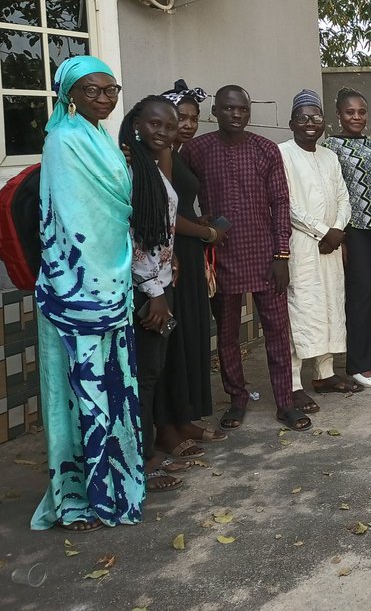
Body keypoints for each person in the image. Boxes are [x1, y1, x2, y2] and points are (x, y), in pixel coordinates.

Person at [31, 56, 143, 531]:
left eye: (110, 89)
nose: (104, 98)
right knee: (80, 395)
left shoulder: (102, 139)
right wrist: (93, 281)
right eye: (92, 90)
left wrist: (121, 272)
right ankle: (77, 499)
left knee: (114, 392)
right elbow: (70, 222)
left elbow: (116, 215)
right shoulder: (62, 141)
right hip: (75, 290)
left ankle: (118, 484)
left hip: (114, 284)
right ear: (69, 95)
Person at [180, 85, 300, 430]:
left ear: (249, 113)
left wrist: (281, 254)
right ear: (214, 112)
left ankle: (285, 401)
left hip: (265, 255)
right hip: (221, 256)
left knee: (278, 330)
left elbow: (281, 203)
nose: (235, 115)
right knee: (228, 334)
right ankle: (237, 398)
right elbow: (180, 196)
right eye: (228, 109)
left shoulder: (265, 150)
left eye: (242, 110)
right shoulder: (196, 150)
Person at [154, 80, 225, 459]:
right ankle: (165, 428)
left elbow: (179, 207)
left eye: (194, 118)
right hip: (170, 258)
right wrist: (207, 230)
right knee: (170, 343)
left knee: (191, 339)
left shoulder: (177, 154)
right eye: (180, 117)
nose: (187, 124)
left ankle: (185, 419)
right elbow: (164, 215)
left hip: (189, 254)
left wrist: (202, 224)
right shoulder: (158, 153)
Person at [280, 90, 357, 420]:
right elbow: (287, 204)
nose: (310, 124)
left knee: (329, 305)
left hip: (331, 244)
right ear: (291, 122)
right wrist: (323, 231)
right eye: (303, 118)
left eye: (316, 118)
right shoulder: (282, 154)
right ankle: (293, 383)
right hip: (303, 245)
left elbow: (343, 197)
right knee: (301, 309)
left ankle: (324, 374)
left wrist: (337, 229)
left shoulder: (329, 157)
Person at [121, 96, 184, 493]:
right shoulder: (130, 168)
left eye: (169, 126)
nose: (162, 132)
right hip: (147, 292)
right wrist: (153, 291)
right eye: (154, 124)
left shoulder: (153, 166)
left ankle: (143, 454)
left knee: (152, 373)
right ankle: (140, 463)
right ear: (137, 123)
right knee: (142, 377)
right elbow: (133, 236)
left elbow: (159, 225)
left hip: (160, 282)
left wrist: (171, 259)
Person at [326, 87, 371, 388]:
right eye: (350, 112)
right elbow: (331, 195)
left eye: (361, 112)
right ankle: (358, 363)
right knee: (360, 298)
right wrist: (341, 238)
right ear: (338, 114)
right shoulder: (331, 147)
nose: (356, 117)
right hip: (355, 232)